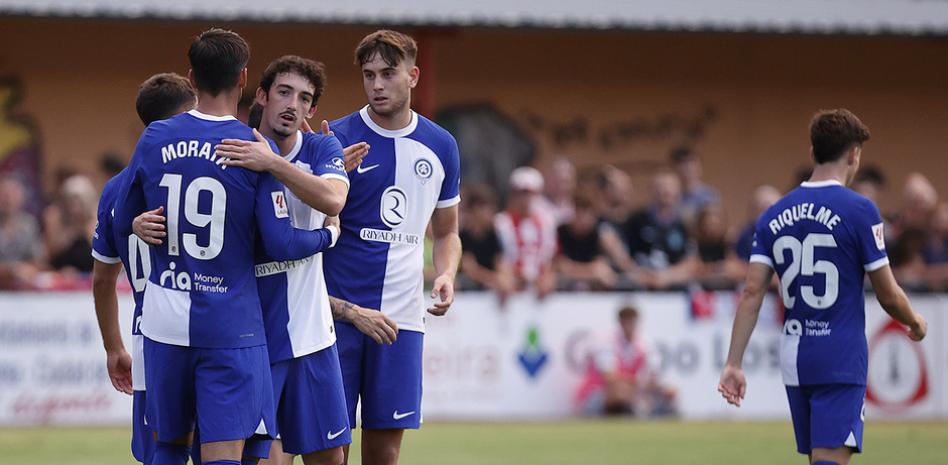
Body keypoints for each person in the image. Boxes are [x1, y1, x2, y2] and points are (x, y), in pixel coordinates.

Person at [113, 28, 340, 465]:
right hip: (230, 323)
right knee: (225, 452)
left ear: (191, 76)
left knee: (169, 446)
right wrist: (328, 234)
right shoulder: (253, 149)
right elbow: (278, 242)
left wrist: (141, 224)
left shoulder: (155, 137)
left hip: (164, 319)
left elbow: (125, 219)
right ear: (244, 80)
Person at [212, 55, 398, 465]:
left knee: (332, 460)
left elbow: (334, 199)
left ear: (312, 110)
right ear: (261, 95)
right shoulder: (233, 153)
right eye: (283, 92)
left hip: (314, 341)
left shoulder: (320, 146)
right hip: (256, 342)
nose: (293, 104)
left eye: (304, 98)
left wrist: (273, 163)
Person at [719, 109, 927, 465]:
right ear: (853, 155)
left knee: (820, 457)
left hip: (796, 356)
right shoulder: (861, 210)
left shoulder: (772, 215)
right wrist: (916, 321)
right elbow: (889, 294)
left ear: (813, 153)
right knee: (830, 459)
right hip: (840, 356)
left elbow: (752, 293)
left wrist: (734, 362)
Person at [323, 30, 462, 465]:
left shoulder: (441, 146)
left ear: (413, 76)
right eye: (369, 75)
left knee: (384, 454)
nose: (377, 84)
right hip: (337, 318)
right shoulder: (337, 137)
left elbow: (447, 233)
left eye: (388, 73)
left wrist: (445, 274)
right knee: (329, 451)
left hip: (400, 320)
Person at [91, 72, 197, 465]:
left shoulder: (116, 189)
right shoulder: (206, 171)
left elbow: (103, 280)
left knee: (162, 454)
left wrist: (114, 347)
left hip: (147, 340)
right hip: (211, 332)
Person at [575, 305, 677, 417]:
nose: (629, 327)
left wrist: (660, 388)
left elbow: (652, 377)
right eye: (626, 323)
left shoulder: (645, 344)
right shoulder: (607, 342)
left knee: (670, 391)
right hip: (597, 395)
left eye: (632, 323)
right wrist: (640, 384)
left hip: (631, 392)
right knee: (619, 391)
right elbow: (609, 378)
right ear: (620, 323)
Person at [621, 171, 697, 289]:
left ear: (678, 192)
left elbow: (691, 262)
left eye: (670, 187)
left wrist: (667, 276)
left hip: (674, 288)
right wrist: (638, 273)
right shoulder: (635, 220)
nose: (665, 191)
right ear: (651, 191)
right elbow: (623, 256)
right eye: (661, 187)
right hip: (640, 285)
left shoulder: (685, 224)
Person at [495, 166, 558, 299]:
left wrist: (546, 278)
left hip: (539, 284)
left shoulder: (547, 223)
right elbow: (501, 256)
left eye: (529, 193)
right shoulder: (502, 222)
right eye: (520, 193)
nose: (525, 198)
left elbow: (549, 256)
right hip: (512, 282)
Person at [458, 184, 514, 304]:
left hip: (489, 289)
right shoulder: (463, 236)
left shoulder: (493, 236)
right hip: (467, 293)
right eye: (486, 209)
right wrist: (495, 281)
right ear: (474, 210)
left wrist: (504, 279)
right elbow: (470, 269)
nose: (491, 213)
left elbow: (500, 262)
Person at [555, 191, 617, 290]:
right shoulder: (561, 232)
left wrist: (575, 270)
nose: (583, 219)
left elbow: (602, 267)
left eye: (587, 214)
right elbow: (561, 266)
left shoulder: (598, 234)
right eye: (579, 214)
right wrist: (591, 272)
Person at [0, 175, 44, 289]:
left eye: (13, 194)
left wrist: (27, 270)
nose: (8, 199)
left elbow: (38, 260)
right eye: (4, 195)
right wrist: (11, 270)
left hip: (21, 290)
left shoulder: (29, 224)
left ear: (21, 198)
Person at [669, 146, 720, 223]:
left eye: (692, 165)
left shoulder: (708, 196)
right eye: (684, 166)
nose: (688, 170)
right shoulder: (669, 195)